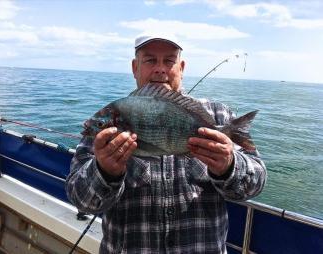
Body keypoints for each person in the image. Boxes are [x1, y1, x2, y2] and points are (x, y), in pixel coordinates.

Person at [66, 35, 267, 253]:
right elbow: (81, 201)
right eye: (150, 60)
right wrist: (103, 172)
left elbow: (255, 184)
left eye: (169, 61)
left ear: (181, 67)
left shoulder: (218, 117)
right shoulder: (108, 122)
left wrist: (229, 166)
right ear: (135, 67)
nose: (160, 69)